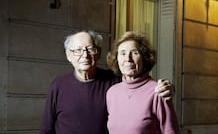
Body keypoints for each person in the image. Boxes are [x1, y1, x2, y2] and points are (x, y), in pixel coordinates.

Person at [39, 30, 174, 134]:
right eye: (78, 50)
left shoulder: (113, 82)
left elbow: (137, 83)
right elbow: (46, 129)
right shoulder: (58, 85)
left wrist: (169, 87)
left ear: (98, 53)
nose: (84, 55)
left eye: (90, 49)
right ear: (68, 56)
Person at [106, 31, 180, 134]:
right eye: (123, 53)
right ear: (116, 59)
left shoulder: (158, 91)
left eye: (135, 53)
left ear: (145, 58)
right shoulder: (112, 93)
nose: (128, 59)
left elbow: (171, 131)